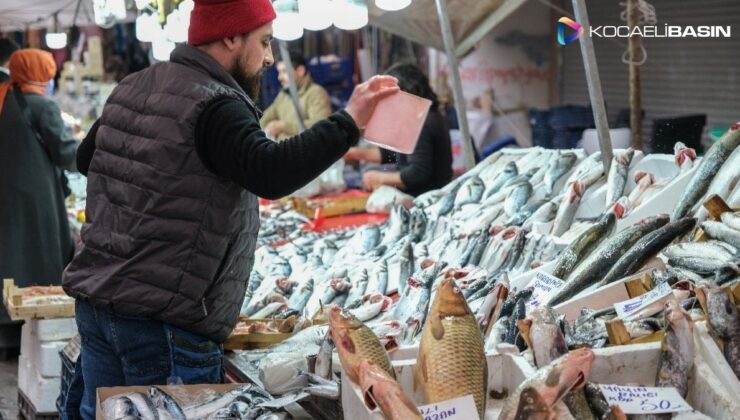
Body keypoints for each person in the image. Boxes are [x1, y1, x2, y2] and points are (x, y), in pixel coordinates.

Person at [61, 0, 398, 417]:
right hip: (162, 327)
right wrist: (349, 122)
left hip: (98, 309)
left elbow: (86, 158)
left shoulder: (134, 85)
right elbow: (271, 172)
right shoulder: (215, 105)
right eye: (266, 42)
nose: (271, 57)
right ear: (231, 36)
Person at [0, 49, 78, 356]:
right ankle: (27, 330)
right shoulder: (41, 106)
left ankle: (5, 330)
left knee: (9, 258)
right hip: (35, 200)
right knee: (35, 259)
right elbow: (66, 153)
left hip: (8, 195)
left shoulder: (5, 100)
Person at [345, 63, 453, 196]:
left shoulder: (423, 121)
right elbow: (396, 154)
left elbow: (418, 173)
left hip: (428, 198)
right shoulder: (425, 115)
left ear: (407, 91)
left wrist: (379, 178)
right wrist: (355, 153)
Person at [260, 49, 332, 140]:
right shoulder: (284, 95)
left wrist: (283, 126)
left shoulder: (316, 93)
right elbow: (266, 117)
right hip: (284, 151)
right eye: (279, 72)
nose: (279, 77)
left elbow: (320, 127)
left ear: (300, 71)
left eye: (284, 71)